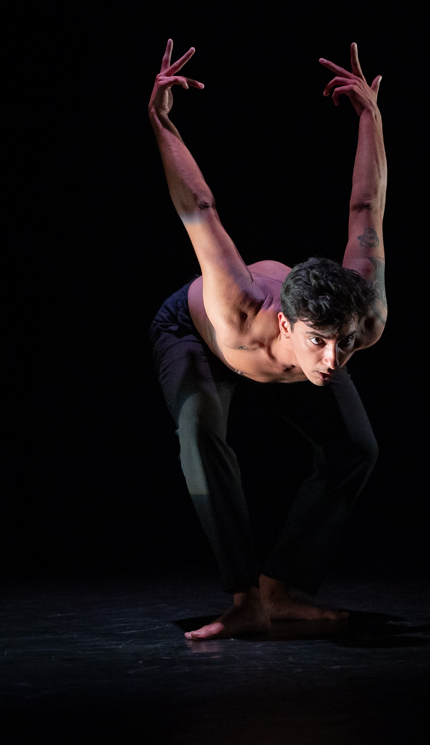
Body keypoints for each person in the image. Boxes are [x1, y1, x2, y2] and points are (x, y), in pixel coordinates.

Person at [146, 39, 388, 640]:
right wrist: (159, 119)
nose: (335, 360)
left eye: (347, 343)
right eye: (322, 342)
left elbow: (366, 208)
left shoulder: (361, 315)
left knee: (357, 447)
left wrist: (371, 118)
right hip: (200, 337)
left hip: (278, 360)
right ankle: (245, 597)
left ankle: (281, 591)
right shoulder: (241, 306)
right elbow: (198, 205)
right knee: (199, 428)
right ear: (287, 323)